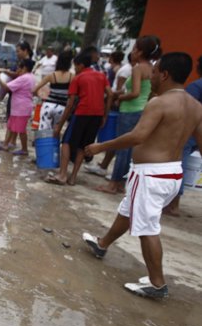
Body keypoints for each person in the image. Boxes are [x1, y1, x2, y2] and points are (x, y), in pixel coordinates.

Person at [82, 52, 202, 298]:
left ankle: (156, 283)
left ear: (165, 74)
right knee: (129, 210)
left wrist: (100, 147)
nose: (152, 76)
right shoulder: (196, 106)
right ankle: (102, 244)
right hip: (172, 173)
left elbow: (138, 136)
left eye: (155, 72)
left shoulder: (160, 103)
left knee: (147, 227)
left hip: (150, 174)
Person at [94, 35, 160, 194]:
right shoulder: (153, 69)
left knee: (122, 147)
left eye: (135, 49)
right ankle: (121, 183)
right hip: (141, 110)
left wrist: (119, 98)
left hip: (130, 111)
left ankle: (113, 184)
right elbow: (149, 92)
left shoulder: (138, 68)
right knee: (130, 149)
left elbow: (135, 92)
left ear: (141, 51)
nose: (133, 52)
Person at [46, 53, 113, 186]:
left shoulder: (78, 78)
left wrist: (60, 125)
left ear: (81, 65)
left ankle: (62, 175)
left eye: (75, 66)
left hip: (82, 112)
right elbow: (110, 94)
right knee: (83, 146)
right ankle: (73, 178)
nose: (74, 68)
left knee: (66, 142)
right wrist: (105, 115)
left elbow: (70, 104)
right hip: (97, 115)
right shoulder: (101, 75)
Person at [163, 54, 202, 216]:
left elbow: (185, 108)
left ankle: (173, 203)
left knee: (179, 163)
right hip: (196, 131)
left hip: (189, 131)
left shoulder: (196, 87)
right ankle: (173, 202)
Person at [0, 59, 35, 155]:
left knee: (21, 130)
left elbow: (7, 87)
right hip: (20, 107)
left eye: (18, 68)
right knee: (11, 126)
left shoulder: (23, 78)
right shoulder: (31, 76)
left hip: (21, 108)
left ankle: (24, 150)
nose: (17, 70)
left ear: (24, 68)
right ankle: (5, 144)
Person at [32, 50, 73, 131]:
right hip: (62, 108)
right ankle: (53, 144)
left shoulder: (52, 75)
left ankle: (42, 143)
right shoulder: (72, 77)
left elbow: (34, 89)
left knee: (44, 132)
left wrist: (40, 95)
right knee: (55, 131)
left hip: (48, 105)